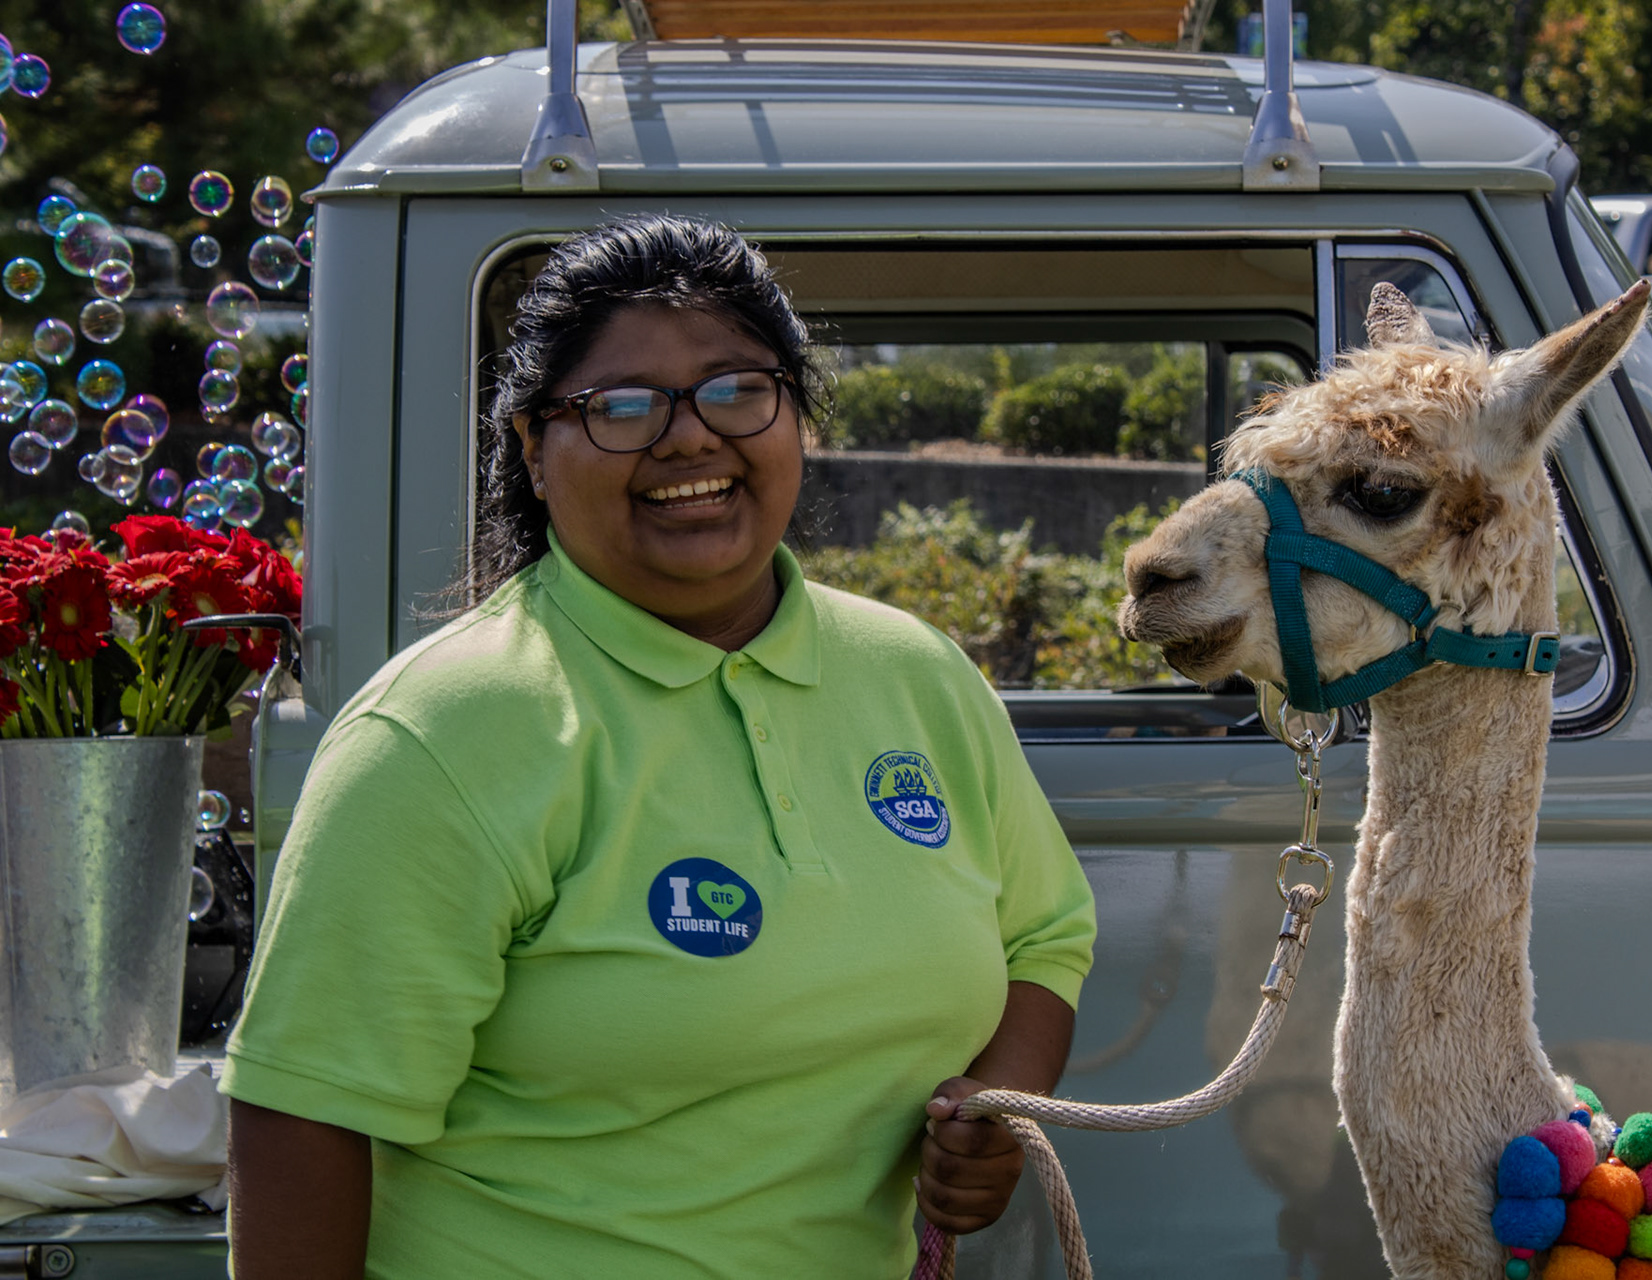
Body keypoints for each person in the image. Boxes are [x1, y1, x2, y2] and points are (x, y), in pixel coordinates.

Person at [220, 214, 1097, 1279]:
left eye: (737, 388)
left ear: (797, 419)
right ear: (535, 453)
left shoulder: (920, 677)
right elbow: (304, 1108)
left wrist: (995, 1108)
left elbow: (1043, 937)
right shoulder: (443, 732)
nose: (689, 437)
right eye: (620, 406)